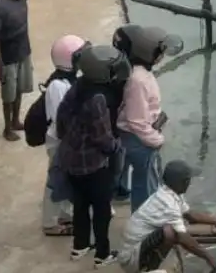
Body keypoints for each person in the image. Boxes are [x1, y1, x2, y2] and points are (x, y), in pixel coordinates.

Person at [57, 44, 130, 266]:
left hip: (70, 159)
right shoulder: (98, 99)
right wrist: (118, 145)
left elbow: (61, 120)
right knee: (101, 211)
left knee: (80, 205)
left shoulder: (79, 85)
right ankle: (102, 254)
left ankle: (79, 246)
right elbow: (103, 138)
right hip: (92, 165)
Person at [116, 25, 185, 213]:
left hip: (127, 134)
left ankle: (120, 192)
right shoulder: (138, 80)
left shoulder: (136, 72)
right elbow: (136, 121)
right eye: (160, 52)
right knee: (146, 182)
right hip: (137, 138)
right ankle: (144, 218)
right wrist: (155, 140)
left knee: (123, 169)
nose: (162, 56)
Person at [116, 160, 216, 273]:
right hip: (130, 259)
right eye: (188, 180)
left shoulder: (169, 192)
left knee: (171, 231)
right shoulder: (168, 204)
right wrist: (209, 258)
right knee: (170, 232)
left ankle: (150, 265)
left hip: (134, 250)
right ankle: (147, 269)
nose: (190, 182)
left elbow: (190, 215)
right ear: (184, 182)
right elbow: (184, 237)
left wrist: (215, 221)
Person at [43, 34, 89, 237]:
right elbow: (60, 118)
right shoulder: (57, 86)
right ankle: (49, 223)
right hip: (61, 140)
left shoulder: (69, 81)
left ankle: (63, 214)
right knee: (55, 181)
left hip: (68, 139)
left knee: (66, 180)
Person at [0, 0, 34, 142]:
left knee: (19, 90)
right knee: (8, 95)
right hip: (8, 58)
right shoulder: (0, 6)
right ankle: (7, 129)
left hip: (23, 53)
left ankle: (16, 121)